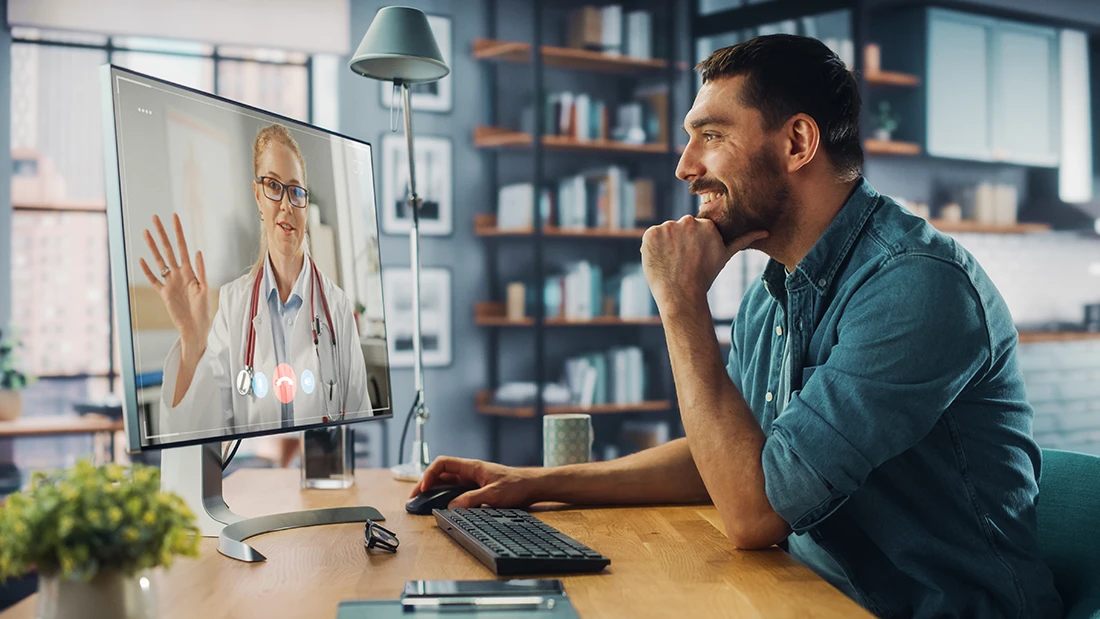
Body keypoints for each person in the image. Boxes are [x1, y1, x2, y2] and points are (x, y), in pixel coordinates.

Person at [411, 35, 1063, 619]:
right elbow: (736, 461)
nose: (685, 165)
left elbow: (754, 510)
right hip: (812, 593)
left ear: (798, 143)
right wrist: (532, 483)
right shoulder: (775, 286)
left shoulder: (913, 286)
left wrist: (681, 302)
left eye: (712, 134)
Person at [141, 123, 372, 438]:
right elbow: (198, 434)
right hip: (255, 484)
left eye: (296, 190)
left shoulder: (338, 308)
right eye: (274, 186)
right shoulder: (233, 304)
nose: (287, 205)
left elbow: (359, 424)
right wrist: (192, 343)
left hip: (322, 482)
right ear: (258, 196)